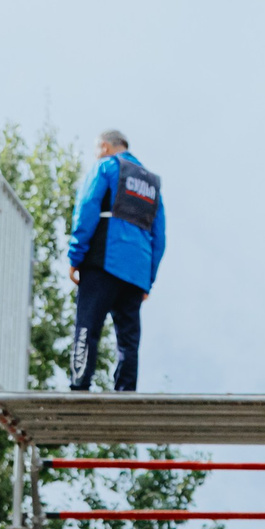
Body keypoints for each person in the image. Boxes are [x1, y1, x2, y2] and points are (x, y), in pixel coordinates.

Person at [67, 129, 165, 392]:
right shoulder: (153, 183)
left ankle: (80, 383)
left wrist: (75, 255)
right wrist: (148, 280)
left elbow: (87, 207)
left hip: (103, 260)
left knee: (88, 325)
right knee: (128, 340)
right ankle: (126, 391)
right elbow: (160, 236)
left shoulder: (107, 167)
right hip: (137, 271)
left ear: (105, 146)